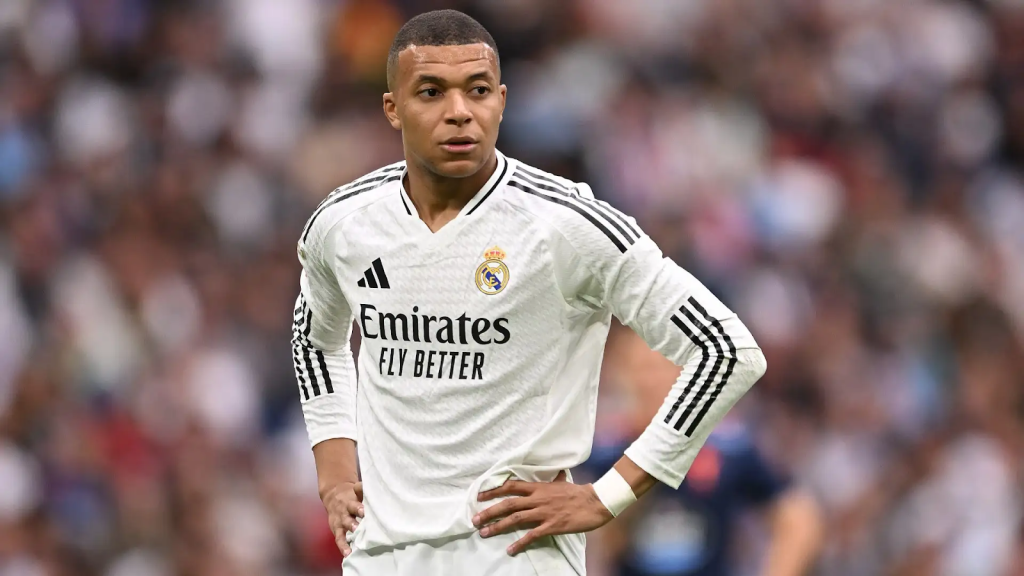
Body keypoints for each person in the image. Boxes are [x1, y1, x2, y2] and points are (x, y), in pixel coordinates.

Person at [290, 9, 767, 576]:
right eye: (431, 92)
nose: (459, 112)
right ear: (393, 107)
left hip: (512, 556)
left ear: (502, 100)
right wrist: (335, 467)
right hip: (381, 557)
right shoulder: (344, 223)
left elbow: (727, 350)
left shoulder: (567, 224)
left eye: (478, 90)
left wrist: (609, 493)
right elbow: (314, 340)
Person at [581, 331, 822, 576]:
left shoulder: (726, 446)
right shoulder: (603, 450)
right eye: (639, 369)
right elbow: (597, 541)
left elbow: (798, 518)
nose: (648, 382)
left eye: (658, 367)